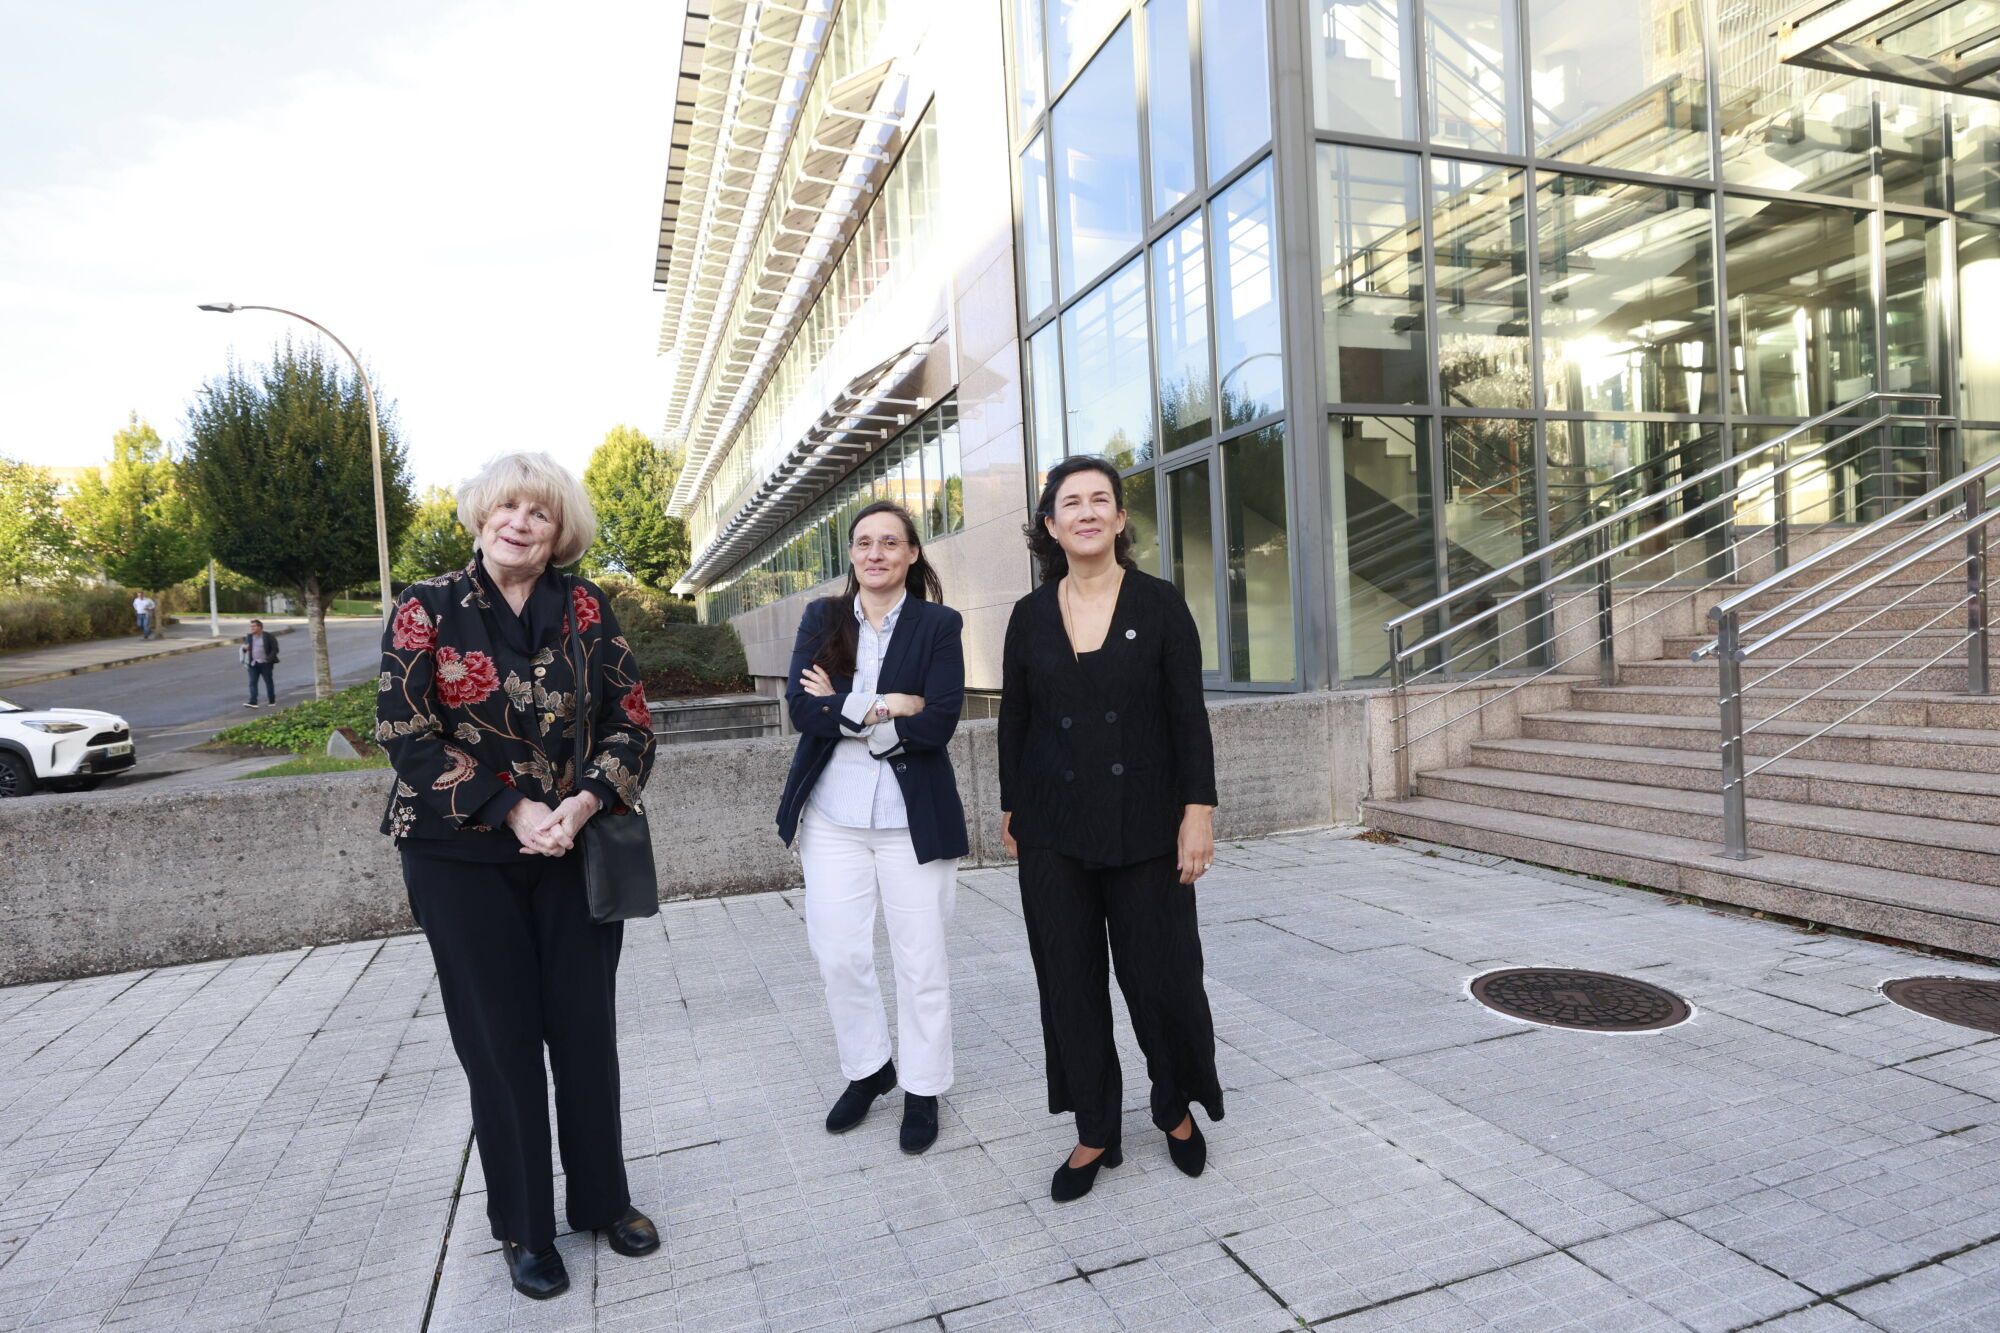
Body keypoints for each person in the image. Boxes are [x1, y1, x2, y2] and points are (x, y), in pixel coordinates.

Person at [376, 451, 660, 1301]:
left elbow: (632, 724)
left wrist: (578, 804)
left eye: (538, 512)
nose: (520, 522)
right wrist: (512, 808)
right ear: (480, 516)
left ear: (557, 529)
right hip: (458, 854)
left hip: (574, 849)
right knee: (500, 1044)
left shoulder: (586, 606)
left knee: (583, 1031)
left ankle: (603, 1200)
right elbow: (404, 728)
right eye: (506, 507)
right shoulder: (425, 605)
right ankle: (523, 1227)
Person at [998, 454, 1224, 1203]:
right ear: (1051, 524)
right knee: (1067, 980)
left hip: (1148, 826)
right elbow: (1016, 721)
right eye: (1072, 502)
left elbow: (1187, 718)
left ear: (1121, 519)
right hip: (1053, 829)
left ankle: (1174, 1105)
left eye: (1102, 500)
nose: (1088, 512)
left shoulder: (1159, 604)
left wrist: (1199, 810)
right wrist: (1012, 807)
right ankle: (1095, 1125)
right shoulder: (1029, 615)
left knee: (1159, 976)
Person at [776, 500, 966, 1156]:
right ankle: (869, 1068)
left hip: (912, 820)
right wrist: (889, 705)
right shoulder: (822, 618)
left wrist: (848, 706)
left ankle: (921, 1086)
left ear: (913, 553)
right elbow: (804, 707)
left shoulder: (939, 624)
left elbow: (938, 720)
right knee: (840, 953)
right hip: (834, 818)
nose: (876, 552)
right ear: (851, 554)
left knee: (921, 961)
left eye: (891, 542)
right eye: (864, 542)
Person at [240, 619, 279, 707]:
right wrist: (245, 649)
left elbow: (275, 649)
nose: (251, 628)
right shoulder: (249, 637)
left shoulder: (268, 636)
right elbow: (245, 648)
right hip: (253, 664)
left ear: (260, 627)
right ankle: (253, 701)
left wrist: (269, 659)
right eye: (251, 626)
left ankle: (271, 700)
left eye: (253, 626)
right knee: (252, 682)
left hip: (266, 664)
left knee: (268, 682)